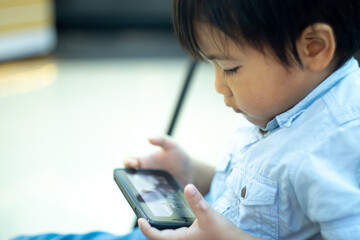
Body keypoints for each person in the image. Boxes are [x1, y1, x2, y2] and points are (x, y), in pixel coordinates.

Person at [13, 0, 360, 239]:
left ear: (314, 47)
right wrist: (191, 173)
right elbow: (266, 193)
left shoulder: (338, 145)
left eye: (230, 68)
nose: (218, 85)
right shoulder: (284, 99)